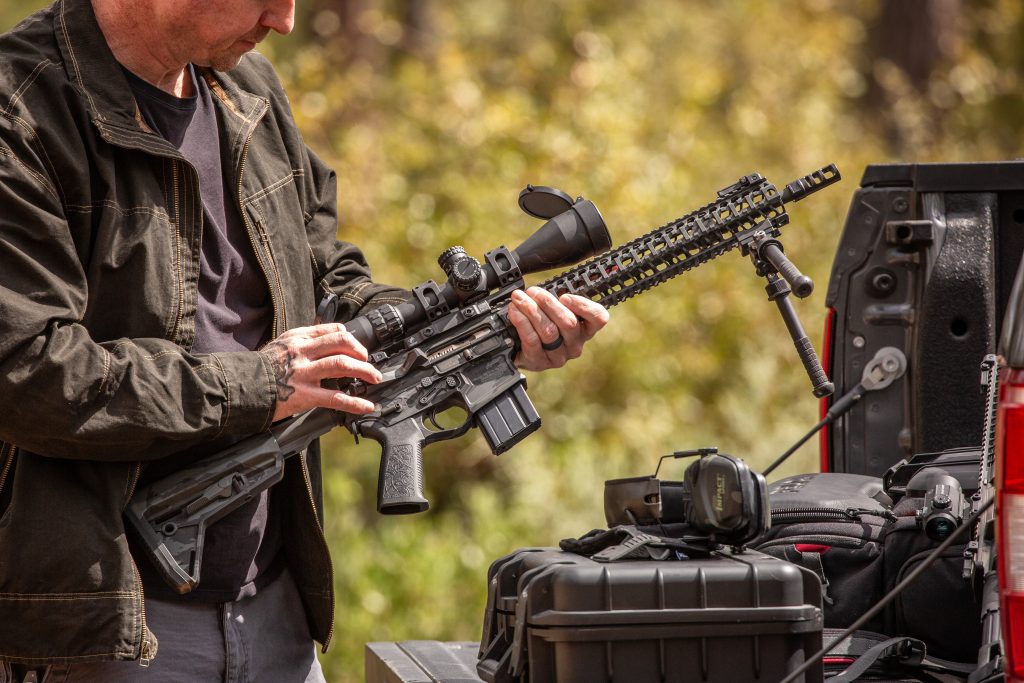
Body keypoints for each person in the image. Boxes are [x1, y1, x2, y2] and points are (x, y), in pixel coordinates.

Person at [0, 0, 609, 680]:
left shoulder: (248, 90)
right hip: (108, 630)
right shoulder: (19, 112)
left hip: (277, 612)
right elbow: (29, 370)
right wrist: (263, 382)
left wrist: (482, 333)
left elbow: (329, 278)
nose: (285, 20)